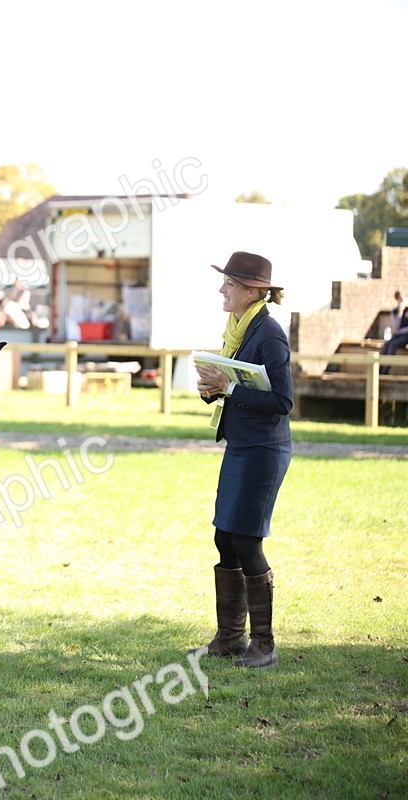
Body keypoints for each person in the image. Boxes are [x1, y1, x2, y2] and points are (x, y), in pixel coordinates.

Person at [192, 251, 292, 669]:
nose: (222, 289)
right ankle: (230, 637)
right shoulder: (238, 329)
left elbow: (282, 401)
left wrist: (230, 391)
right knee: (224, 538)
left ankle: (263, 645)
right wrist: (214, 389)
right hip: (241, 446)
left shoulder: (268, 334)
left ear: (253, 291)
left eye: (230, 284)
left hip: (264, 451)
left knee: (247, 540)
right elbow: (240, 388)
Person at [379, 290, 408, 374]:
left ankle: (385, 370)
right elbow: (395, 327)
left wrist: (399, 331)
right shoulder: (395, 312)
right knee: (386, 345)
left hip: (405, 336)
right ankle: (379, 369)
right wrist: (400, 311)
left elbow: (397, 330)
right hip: (398, 335)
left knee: (392, 345)